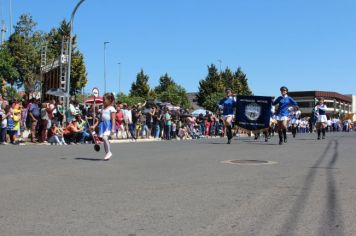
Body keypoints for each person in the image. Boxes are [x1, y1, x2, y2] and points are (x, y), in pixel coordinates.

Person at [93, 93, 116, 160]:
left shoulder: (112, 108)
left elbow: (113, 119)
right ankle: (107, 153)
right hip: (102, 125)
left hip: (108, 125)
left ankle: (109, 152)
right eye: (102, 100)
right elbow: (100, 119)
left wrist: (112, 129)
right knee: (104, 139)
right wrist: (94, 126)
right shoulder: (102, 109)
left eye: (104, 100)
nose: (103, 101)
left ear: (109, 100)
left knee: (105, 138)